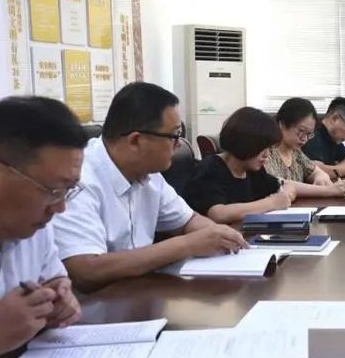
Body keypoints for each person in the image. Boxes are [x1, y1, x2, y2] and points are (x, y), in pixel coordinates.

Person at [52, 83, 247, 293]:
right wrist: (187, 245)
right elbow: (86, 270)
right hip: (94, 306)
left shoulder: (150, 174)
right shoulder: (77, 179)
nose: (179, 144)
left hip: (138, 295)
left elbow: (188, 220)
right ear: (136, 141)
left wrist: (218, 235)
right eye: (174, 135)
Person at [0, 97, 85, 358]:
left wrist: (60, 299)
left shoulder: (33, 226)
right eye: (51, 190)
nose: (60, 208)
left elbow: (55, 279)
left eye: (68, 189)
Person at [184, 107, 298, 223]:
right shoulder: (209, 169)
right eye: (262, 147)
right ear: (245, 142)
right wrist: (272, 203)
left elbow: (282, 185)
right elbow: (218, 214)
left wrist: (286, 193)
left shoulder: (251, 169)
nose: (266, 155)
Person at [265, 98, 345, 198]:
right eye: (301, 131)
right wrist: (327, 190)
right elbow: (280, 184)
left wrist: (320, 176)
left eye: (309, 134)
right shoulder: (266, 152)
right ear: (282, 124)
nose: (304, 139)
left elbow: (315, 170)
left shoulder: (295, 152)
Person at [303, 97, 345, 179]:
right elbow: (315, 171)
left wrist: (336, 170)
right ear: (334, 119)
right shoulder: (312, 137)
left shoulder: (333, 138)